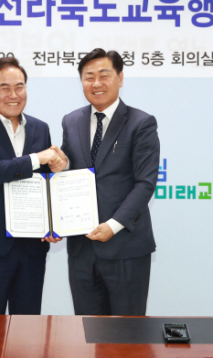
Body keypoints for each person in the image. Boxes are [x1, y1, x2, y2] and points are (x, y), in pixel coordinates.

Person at [52, 48, 160, 316]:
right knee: (87, 331)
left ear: (120, 78)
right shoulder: (71, 121)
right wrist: (55, 220)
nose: (96, 83)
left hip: (126, 248)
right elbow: (69, 175)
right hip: (81, 249)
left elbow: (145, 183)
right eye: (89, 77)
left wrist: (113, 226)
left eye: (104, 75)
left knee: (127, 333)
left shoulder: (141, 123)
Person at [0, 56, 63, 315]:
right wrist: (38, 159)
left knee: (28, 327)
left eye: (19, 87)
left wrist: (54, 224)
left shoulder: (40, 128)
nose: (13, 95)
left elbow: (45, 183)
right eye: (4, 88)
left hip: (32, 246)